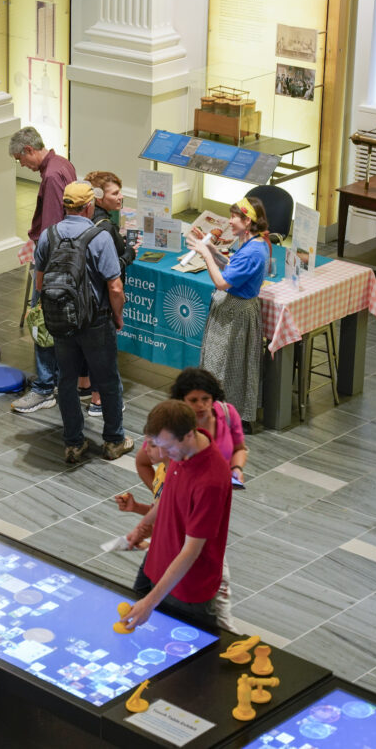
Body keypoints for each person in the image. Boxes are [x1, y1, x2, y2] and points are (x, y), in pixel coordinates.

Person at [35, 181, 133, 464]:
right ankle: (114, 441)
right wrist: (117, 316)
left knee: (66, 381)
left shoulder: (48, 235)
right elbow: (114, 287)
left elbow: (40, 282)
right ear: (89, 206)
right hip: (95, 322)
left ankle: (74, 444)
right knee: (108, 380)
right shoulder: (99, 236)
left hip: (61, 322)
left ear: (66, 206)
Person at [121, 400, 235, 633]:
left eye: (167, 447)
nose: (161, 455)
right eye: (156, 445)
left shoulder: (210, 481)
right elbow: (166, 500)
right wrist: (142, 527)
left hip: (186, 588)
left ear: (188, 435)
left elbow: (191, 551)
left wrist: (150, 603)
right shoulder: (178, 452)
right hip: (155, 565)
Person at [8, 126, 76, 414]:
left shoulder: (50, 177)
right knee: (59, 328)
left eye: (20, 159)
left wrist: (41, 279)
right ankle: (58, 380)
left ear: (28, 150)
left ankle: (44, 388)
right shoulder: (64, 165)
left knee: (41, 324)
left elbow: (49, 232)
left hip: (51, 268)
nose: (22, 165)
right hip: (68, 264)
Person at [186, 196, 271, 423]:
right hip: (235, 309)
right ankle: (220, 411)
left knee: (225, 365)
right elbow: (233, 268)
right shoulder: (252, 244)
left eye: (234, 217)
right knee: (224, 363)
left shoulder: (253, 251)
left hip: (236, 313)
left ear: (248, 221)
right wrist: (213, 250)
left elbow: (222, 282)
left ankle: (223, 415)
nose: (230, 221)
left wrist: (205, 256)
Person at [122, 367, 248, 516]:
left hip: (215, 497)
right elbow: (142, 462)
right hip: (182, 504)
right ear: (181, 400)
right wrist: (163, 494)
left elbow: (239, 449)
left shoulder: (228, 414)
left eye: (206, 399)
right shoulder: (171, 426)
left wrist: (237, 469)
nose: (201, 405)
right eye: (193, 400)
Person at [79, 170, 139, 416]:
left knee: (83, 345)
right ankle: (99, 401)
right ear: (100, 198)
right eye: (115, 193)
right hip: (100, 301)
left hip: (81, 298)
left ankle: (83, 385)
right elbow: (114, 271)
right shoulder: (106, 229)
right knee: (102, 352)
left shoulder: (81, 221)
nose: (121, 197)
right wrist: (130, 253)